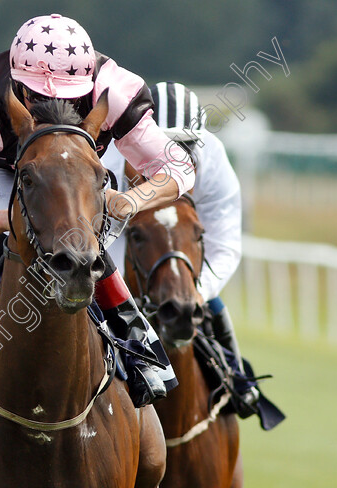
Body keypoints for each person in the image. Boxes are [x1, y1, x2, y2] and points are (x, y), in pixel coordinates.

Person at [0, 14, 197, 407]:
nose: (54, 103)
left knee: (83, 240)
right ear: (16, 81)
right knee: (12, 236)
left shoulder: (113, 89)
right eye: (37, 95)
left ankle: (137, 346)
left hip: (76, 176)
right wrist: (17, 218)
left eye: (69, 97)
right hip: (8, 176)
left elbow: (179, 167)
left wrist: (133, 201)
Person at [105, 81, 261, 416]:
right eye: (162, 146)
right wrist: (123, 301)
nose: (175, 159)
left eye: (185, 147)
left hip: (179, 247)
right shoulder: (111, 161)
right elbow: (102, 242)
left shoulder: (212, 161)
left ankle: (235, 377)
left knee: (201, 298)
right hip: (119, 244)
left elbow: (225, 243)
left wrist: (198, 291)